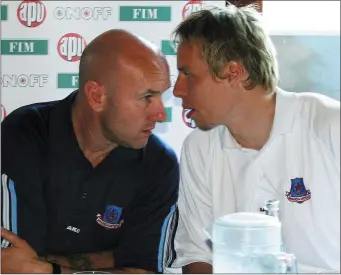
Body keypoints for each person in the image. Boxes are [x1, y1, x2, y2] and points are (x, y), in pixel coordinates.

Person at [170, 4, 340, 274]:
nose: (177, 90)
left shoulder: (331, 125)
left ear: (234, 73)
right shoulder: (199, 147)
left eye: (188, 74)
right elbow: (196, 254)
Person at [1, 29, 179, 274]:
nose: (161, 113)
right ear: (97, 96)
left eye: (162, 95)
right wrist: (111, 259)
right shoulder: (25, 133)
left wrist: (52, 270)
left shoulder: (159, 164)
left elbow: (142, 270)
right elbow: (13, 263)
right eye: (147, 97)